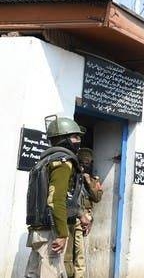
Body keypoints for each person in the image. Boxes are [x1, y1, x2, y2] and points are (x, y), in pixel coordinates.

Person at [25, 116, 85, 277]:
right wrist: (62, 233)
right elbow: (56, 199)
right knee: (50, 272)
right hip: (51, 230)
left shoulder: (44, 161)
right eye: (75, 136)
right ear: (63, 139)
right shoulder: (63, 162)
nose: (79, 140)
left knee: (32, 273)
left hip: (38, 229)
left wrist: (80, 214)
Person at [64, 147, 103, 278]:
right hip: (70, 217)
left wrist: (88, 181)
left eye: (87, 163)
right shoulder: (72, 175)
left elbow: (97, 197)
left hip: (85, 219)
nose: (84, 166)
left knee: (79, 253)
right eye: (82, 163)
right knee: (67, 253)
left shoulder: (94, 180)